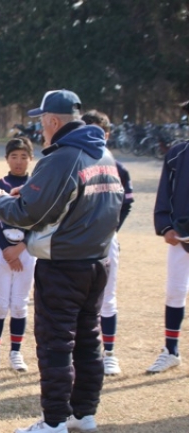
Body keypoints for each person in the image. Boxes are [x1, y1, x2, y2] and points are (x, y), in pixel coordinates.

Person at [0, 89, 123, 433]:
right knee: (88, 340)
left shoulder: (64, 157)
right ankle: (84, 413)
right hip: (97, 262)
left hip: (63, 266)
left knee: (55, 343)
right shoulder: (104, 154)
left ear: (52, 121)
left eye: (42, 121)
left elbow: (31, 213)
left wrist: (2, 203)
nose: (40, 129)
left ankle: (53, 422)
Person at [82, 110, 134, 376]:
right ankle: (79, 353)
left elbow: (126, 204)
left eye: (99, 132)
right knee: (79, 300)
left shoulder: (117, 167)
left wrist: (110, 230)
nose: (94, 137)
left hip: (105, 241)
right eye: (88, 131)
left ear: (107, 135)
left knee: (107, 298)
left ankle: (110, 353)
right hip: (77, 242)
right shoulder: (75, 162)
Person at [0, 137, 36, 373]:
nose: (18, 161)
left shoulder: (37, 186)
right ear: (6, 159)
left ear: (31, 158)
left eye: (23, 156)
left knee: (20, 305)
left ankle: (16, 353)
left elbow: (40, 221)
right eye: (14, 156)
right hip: (1, 251)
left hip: (27, 250)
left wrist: (20, 248)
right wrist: (6, 249)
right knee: (0, 304)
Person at [146, 128, 189, 373]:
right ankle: (171, 351)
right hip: (182, 235)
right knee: (175, 292)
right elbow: (165, 193)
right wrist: (166, 226)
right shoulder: (177, 153)